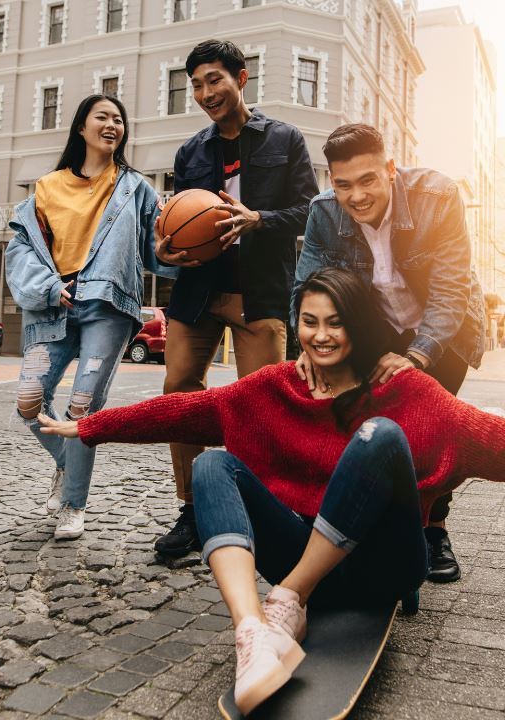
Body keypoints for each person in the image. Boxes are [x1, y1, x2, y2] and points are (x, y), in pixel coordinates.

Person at [40, 267, 505, 714]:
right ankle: (253, 631)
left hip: (385, 564)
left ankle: (288, 598)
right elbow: (187, 410)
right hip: (303, 550)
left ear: (357, 326)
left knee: (379, 436)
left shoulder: (405, 391)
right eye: (309, 322)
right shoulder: (274, 389)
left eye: (336, 322)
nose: (322, 335)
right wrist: (92, 426)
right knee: (213, 467)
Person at [295, 123, 487, 584]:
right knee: (366, 425)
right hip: (378, 327)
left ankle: (433, 531)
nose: (356, 196)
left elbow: (449, 290)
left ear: (391, 170)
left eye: (368, 180)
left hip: (445, 328)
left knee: (430, 432)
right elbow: (307, 285)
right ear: (331, 179)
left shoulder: (437, 196)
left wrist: (418, 355)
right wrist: (303, 349)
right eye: (343, 184)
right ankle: (364, 525)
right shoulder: (323, 212)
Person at [153, 39, 319, 561]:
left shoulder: (285, 139)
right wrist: (167, 249)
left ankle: (254, 508)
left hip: (261, 292)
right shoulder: (191, 151)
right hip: (198, 291)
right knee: (179, 394)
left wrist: (259, 220)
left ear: (240, 79)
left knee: (258, 407)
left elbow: (312, 211)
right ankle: (193, 509)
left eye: (214, 80)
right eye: (197, 84)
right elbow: (183, 218)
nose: (205, 93)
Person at [4, 94, 178, 540]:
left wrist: (175, 251)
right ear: (81, 127)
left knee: (82, 406)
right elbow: (22, 250)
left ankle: (73, 504)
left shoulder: (135, 187)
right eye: (102, 117)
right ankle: (68, 464)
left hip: (109, 305)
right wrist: (46, 287)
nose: (112, 125)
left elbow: (154, 248)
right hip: (53, 307)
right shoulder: (46, 188)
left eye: (119, 119)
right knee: (28, 400)